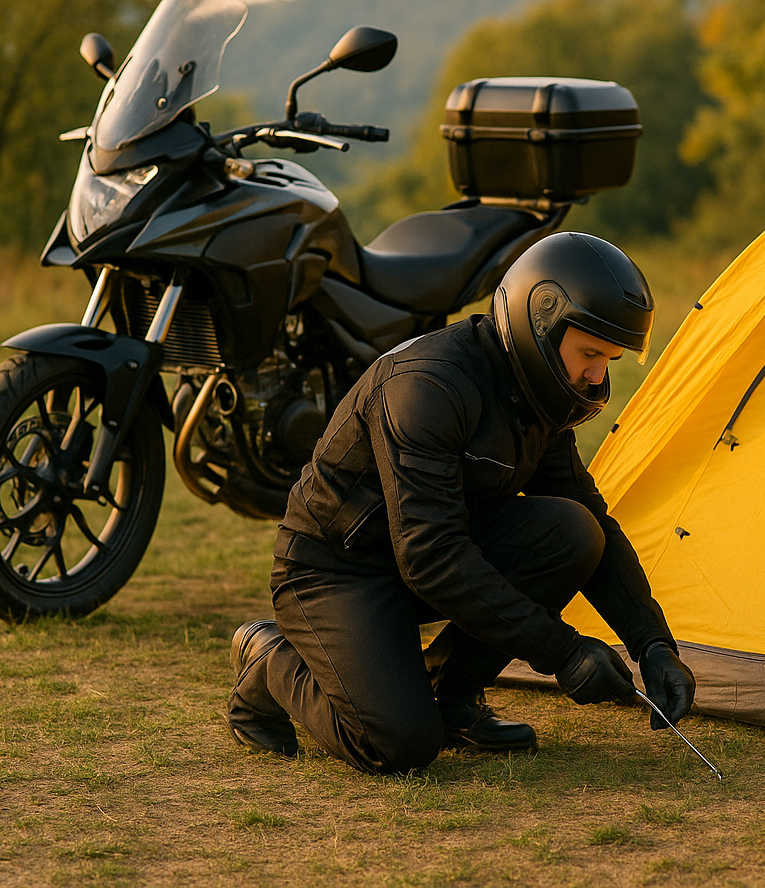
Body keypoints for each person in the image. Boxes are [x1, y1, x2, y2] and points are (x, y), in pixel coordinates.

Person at [225, 231, 696, 773]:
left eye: (609, 359)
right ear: (537, 325)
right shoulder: (428, 386)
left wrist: (653, 643)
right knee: (397, 747)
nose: (597, 377)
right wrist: (564, 654)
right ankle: (267, 659)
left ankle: (451, 696)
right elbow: (429, 555)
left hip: (428, 557)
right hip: (336, 570)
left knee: (575, 531)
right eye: (589, 354)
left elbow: (593, 522)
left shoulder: (537, 392)